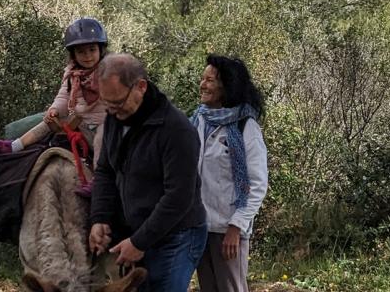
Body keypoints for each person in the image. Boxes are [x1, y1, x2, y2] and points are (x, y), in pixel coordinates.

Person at [88, 54, 206, 292]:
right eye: (106, 103)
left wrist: (139, 242)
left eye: (118, 102)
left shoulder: (176, 130)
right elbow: (106, 171)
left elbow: (178, 197)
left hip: (176, 237)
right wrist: (100, 217)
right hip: (137, 234)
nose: (112, 111)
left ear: (140, 87)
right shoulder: (114, 119)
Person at [0, 17, 111, 193]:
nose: (88, 56)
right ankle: (14, 146)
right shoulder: (73, 74)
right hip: (81, 121)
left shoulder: (110, 72)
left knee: (101, 138)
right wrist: (53, 110)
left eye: (92, 50)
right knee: (47, 120)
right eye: (81, 52)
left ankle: (99, 181)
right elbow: (63, 96)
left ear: (101, 49)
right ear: (73, 54)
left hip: (105, 123)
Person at [191, 55, 269, 292]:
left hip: (229, 230)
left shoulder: (246, 126)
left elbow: (257, 184)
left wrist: (236, 227)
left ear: (227, 86)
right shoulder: (199, 120)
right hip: (201, 227)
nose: (203, 85)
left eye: (210, 80)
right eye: (203, 79)